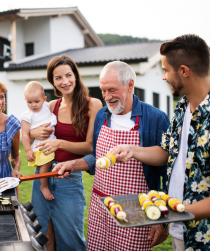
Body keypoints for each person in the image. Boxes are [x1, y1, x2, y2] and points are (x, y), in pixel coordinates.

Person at [53, 61, 170, 250]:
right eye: (103, 90)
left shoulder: (155, 118)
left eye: (112, 90)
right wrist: (74, 164)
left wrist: (161, 218)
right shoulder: (101, 115)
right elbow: (97, 156)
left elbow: (167, 164)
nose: (107, 97)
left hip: (136, 210)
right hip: (101, 207)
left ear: (130, 85)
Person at [109, 34, 210, 251]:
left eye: (165, 70)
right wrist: (132, 150)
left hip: (203, 235)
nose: (163, 77)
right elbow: (167, 152)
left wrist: (175, 210)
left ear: (184, 71)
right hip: (179, 228)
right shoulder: (182, 106)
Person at [29, 55, 102, 251]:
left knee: (71, 240)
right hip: (42, 175)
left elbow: (90, 147)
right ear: (52, 82)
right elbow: (32, 131)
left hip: (69, 177)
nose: (64, 81)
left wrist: (60, 143)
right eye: (58, 78)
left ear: (76, 76)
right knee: (42, 234)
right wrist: (32, 132)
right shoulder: (51, 106)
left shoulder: (93, 104)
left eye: (68, 75)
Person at [21, 81, 57, 200]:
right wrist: (27, 150)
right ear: (25, 100)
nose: (33, 105)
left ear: (44, 99)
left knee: (49, 163)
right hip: (40, 145)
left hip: (52, 141)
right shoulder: (27, 115)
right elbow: (25, 134)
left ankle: (45, 185)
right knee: (45, 164)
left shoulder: (47, 106)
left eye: (37, 101)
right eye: (29, 102)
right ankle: (43, 186)